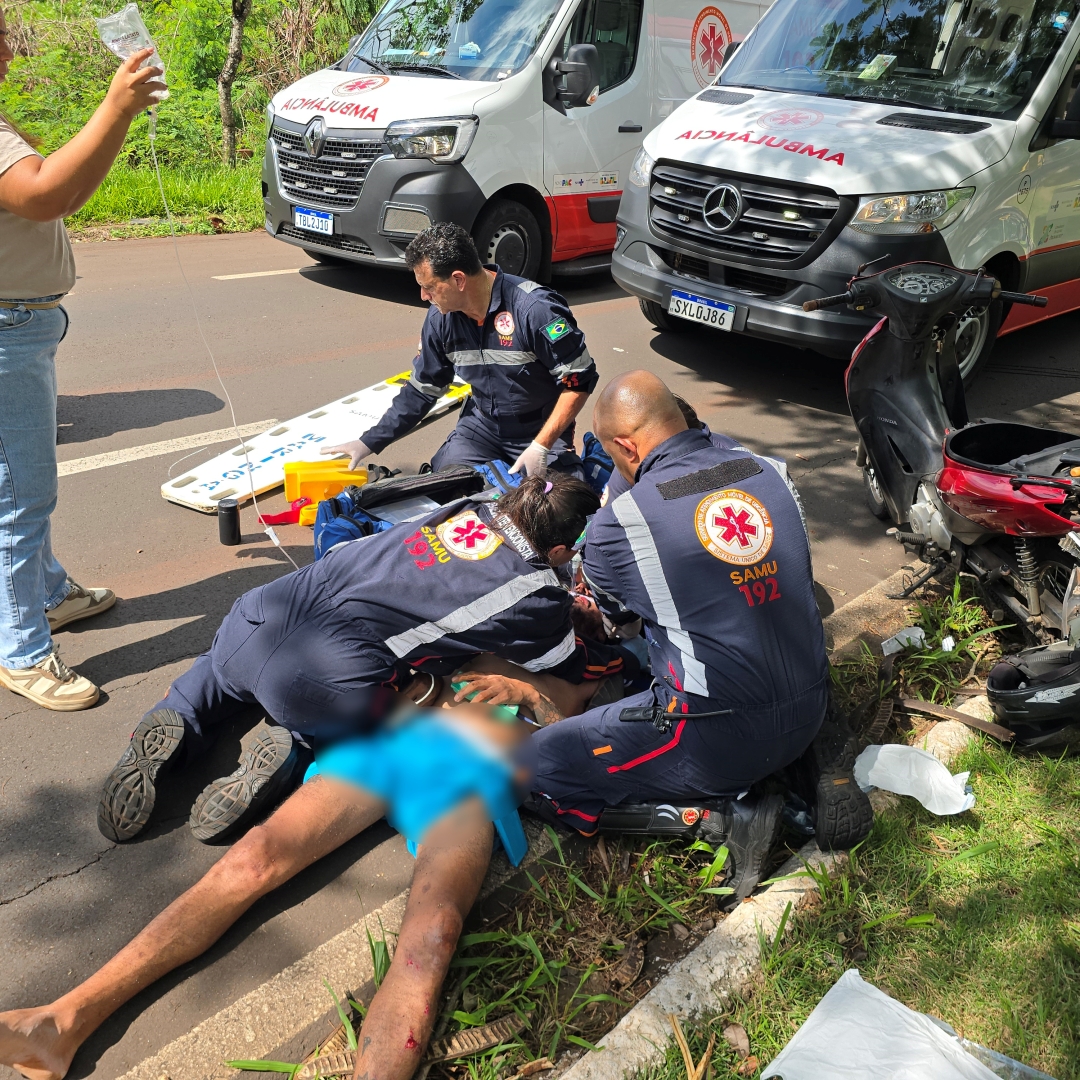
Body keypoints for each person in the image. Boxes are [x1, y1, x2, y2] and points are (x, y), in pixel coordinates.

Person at [0, 697, 528, 1080]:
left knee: (431, 938)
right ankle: (59, 1024)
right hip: (399, 741)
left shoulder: (588, 618)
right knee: (251, 860)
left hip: (470, 777)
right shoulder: (478, 573)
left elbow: (574, 728)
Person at [97, 474, 627, 845]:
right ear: (560, 553)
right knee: (399, 708)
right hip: (323, 679)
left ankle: (180, 717)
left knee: (216, 670)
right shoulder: (536, 594)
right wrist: (582, 620)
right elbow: (564, 667)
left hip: (260, 611)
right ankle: (291, 747)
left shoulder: (471, 508)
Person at [521, 372, 871, 872]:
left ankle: (719, 816)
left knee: (529, 766)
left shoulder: (618, 526)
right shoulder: (767, 468)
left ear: (625, 447)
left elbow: (622, 625)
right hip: (811, 698)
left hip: (716, 739)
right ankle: (813, 760)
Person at [0, 14, 165, 711]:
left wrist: (117, 119)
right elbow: (44, 194)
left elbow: (58, 193)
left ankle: (47, 591)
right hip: (8, 329)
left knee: (21, 481)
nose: (9, 50)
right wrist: (115, 106)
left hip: (21, 326)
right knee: (20, 494)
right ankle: (21, 649)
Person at [321, 223, 598, 478]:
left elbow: (578, 380)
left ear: (458, 280)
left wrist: (542, 445)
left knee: (558, 506)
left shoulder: (535, 310)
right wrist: (368, 441)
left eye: (429, 287)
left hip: (538, 429)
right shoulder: (440, 319)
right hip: (482, 428)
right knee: (445, 486)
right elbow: (422, 389)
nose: (423, 296)